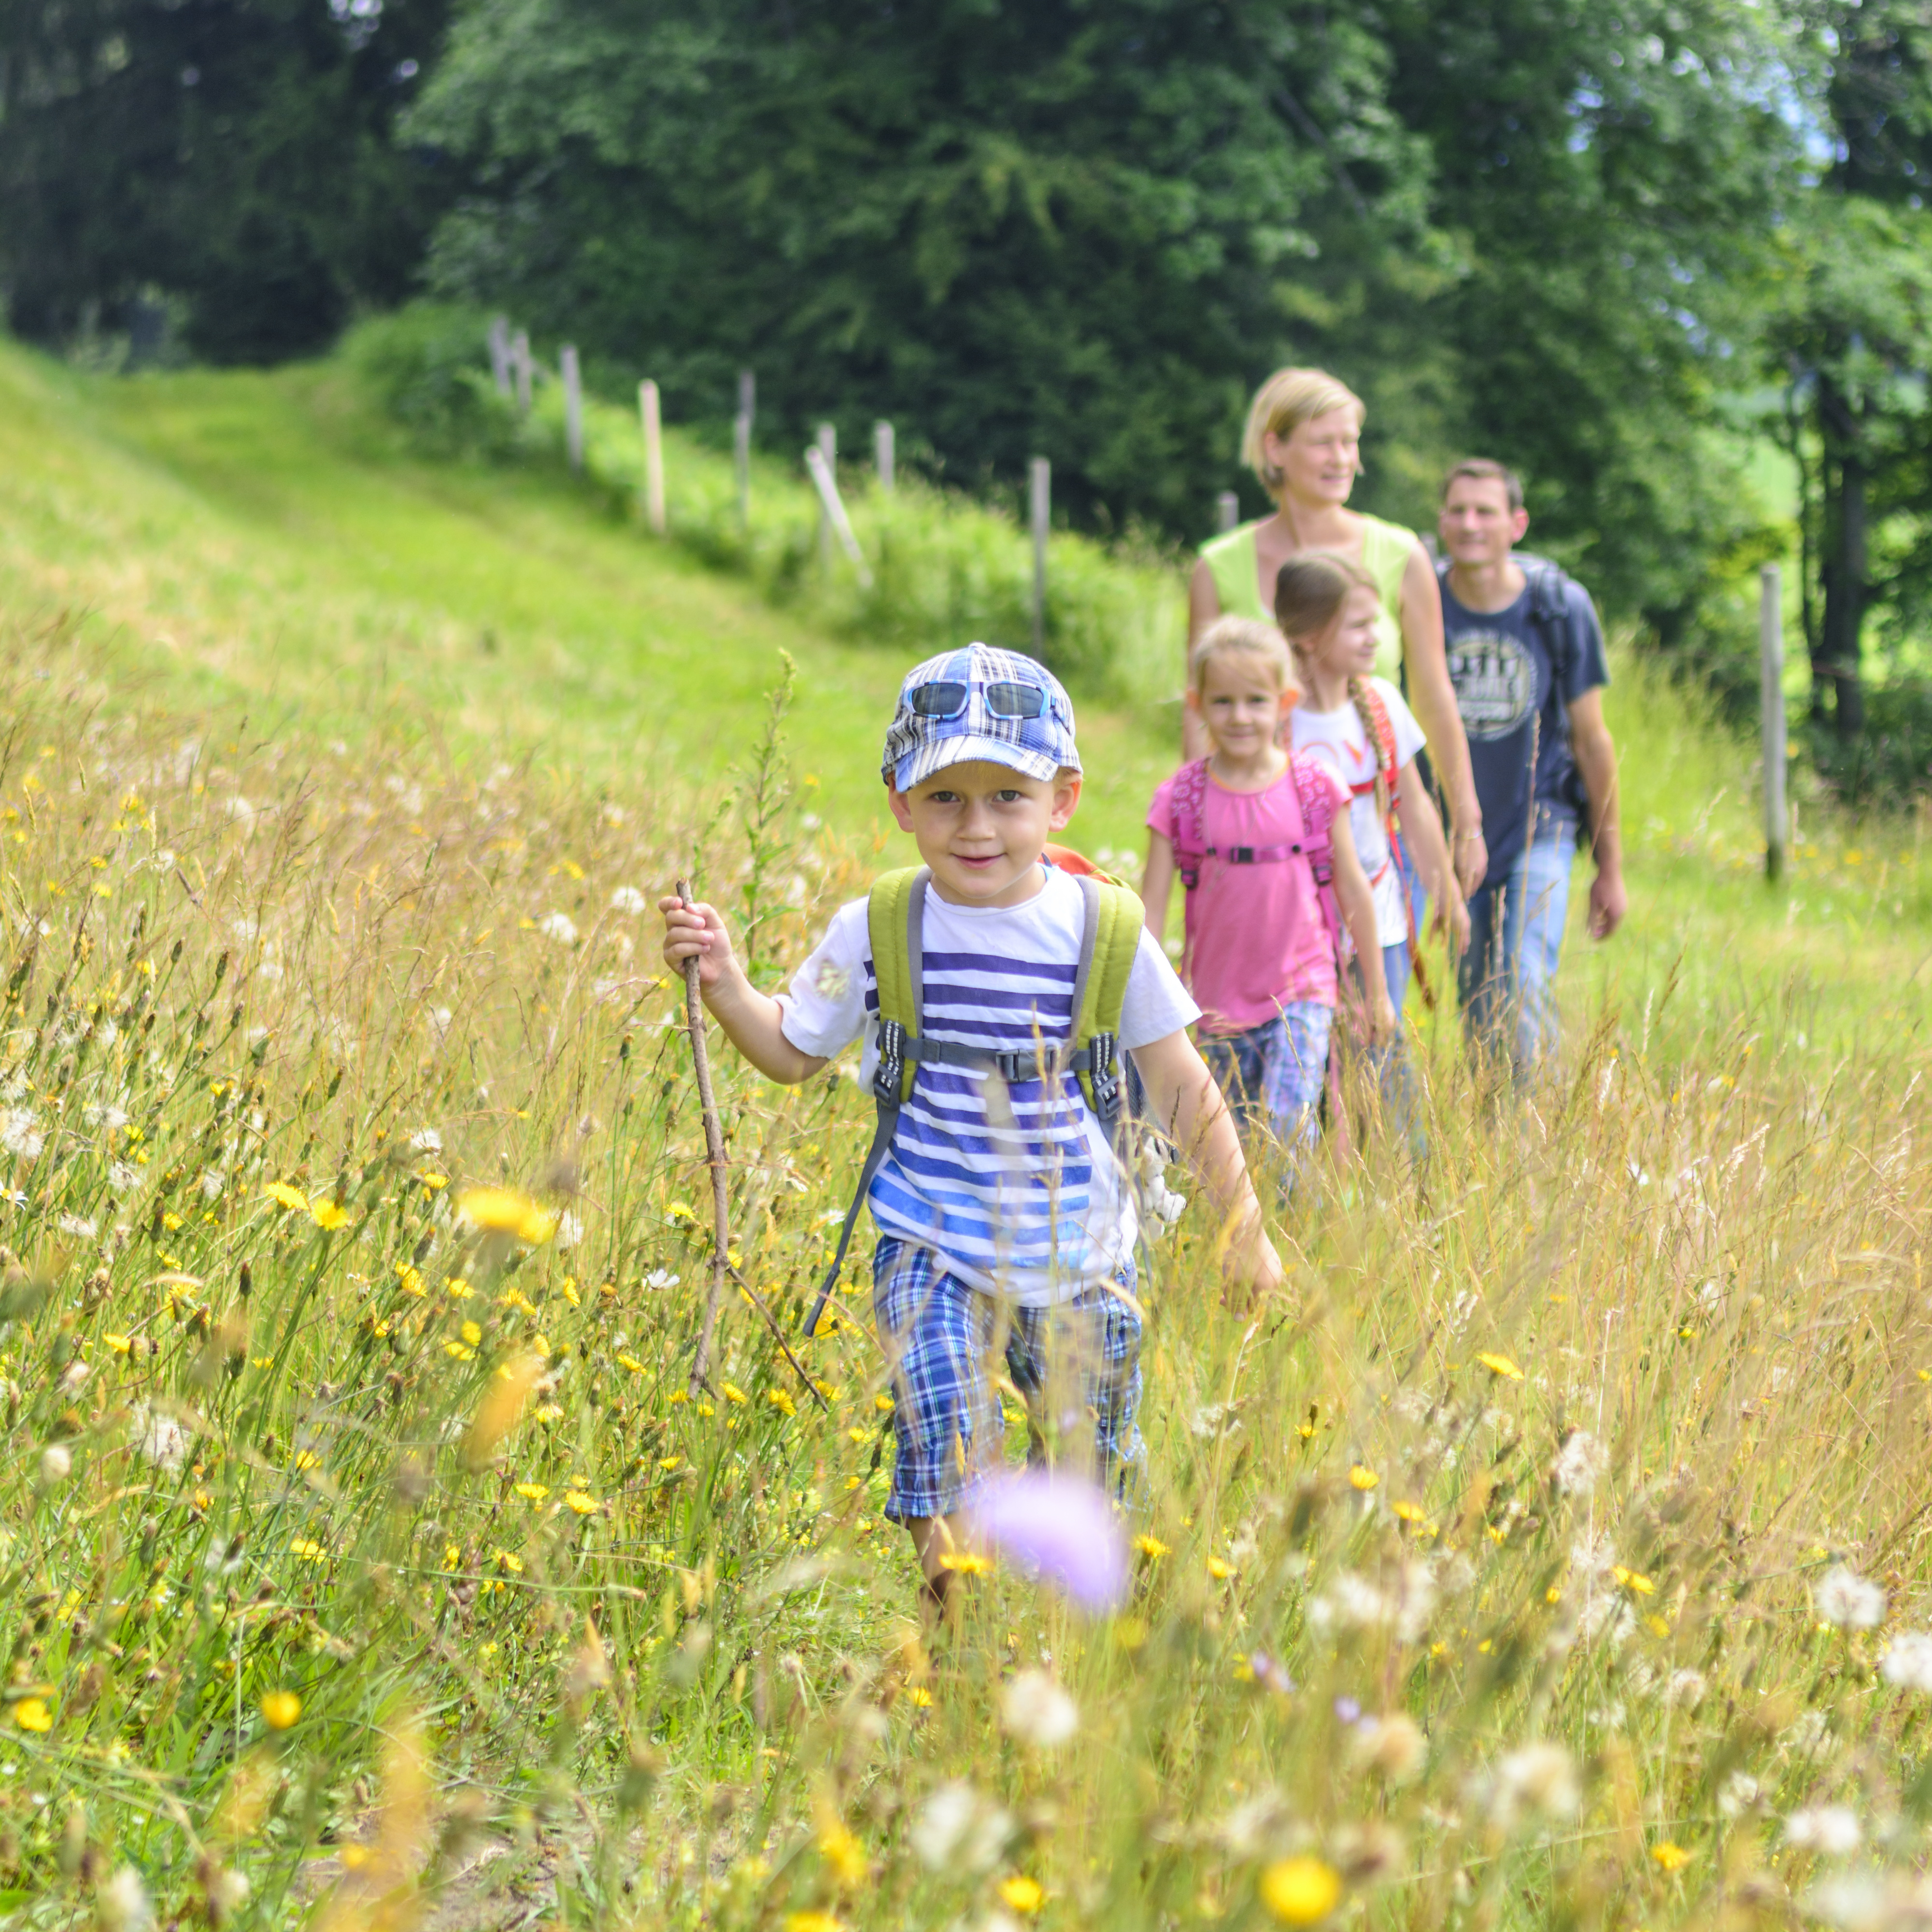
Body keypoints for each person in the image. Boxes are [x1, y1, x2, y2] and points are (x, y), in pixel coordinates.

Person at [660, 644, 1282, 1615]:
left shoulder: (1103, 930)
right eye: (945, 796)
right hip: (930, 1239)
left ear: (1062, 800)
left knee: (1088, 1481)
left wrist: (1241, 1222)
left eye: (1007, 795)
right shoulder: (879, 926)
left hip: (1082, 1253)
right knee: (940, 1427)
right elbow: (788, 1051)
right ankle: (956, 1631)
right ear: (901, 801)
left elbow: (1180, 1084)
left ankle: (1060, 1640)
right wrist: (727, 980)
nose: (977, 824)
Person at [1189, 368, 1490, 910]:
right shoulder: (1218, 566)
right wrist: (1197, 826)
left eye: (1350, 441)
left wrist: (1465, 820)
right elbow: (1197, 709)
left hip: (1375, 827)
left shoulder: (1400, 553)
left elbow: (1432, 693)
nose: (1343, 458)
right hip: (1258, 832)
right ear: (1274, 448)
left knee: (1377, 987)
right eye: (1324, 442)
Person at [1141, 616, 1389, 1159]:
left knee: (1287, 1123)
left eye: (1256, 700)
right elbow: (1149, 920)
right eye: (1223, 701)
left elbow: (1353, 889)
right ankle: (1240, 1237)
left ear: (1285, 701)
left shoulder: (1315, 786)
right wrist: (1152, 1009)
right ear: (1197, 702)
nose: (1240, 716)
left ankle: (1302, 1235)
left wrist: (1376, 991)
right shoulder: (1179, 799)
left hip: (1302, 990)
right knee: (1223, 1144)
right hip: (1213, 1002)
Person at [1435, 460, 1626, 1079]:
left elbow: (1593, 741)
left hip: (1540, 823)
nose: (1469, 524)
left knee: (1521, 976)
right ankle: (1495, 1134)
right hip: (1450, 833)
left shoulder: (1558, 607)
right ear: (1440, 520)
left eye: (1485, 511)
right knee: (1477, 991)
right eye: (1457, 510)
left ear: (1516, 523)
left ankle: (1530, 1134)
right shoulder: (1422, 602)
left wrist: (1610, 868)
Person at [1277, 554, 1467, 1145]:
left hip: (1377, 914)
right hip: (1294, 924)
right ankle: (1303, 1182)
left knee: (1379, 1042)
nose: (1375, 637)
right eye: (1358, 625)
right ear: (1311, 638)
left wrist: (1447, 894)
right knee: (1302, 1055)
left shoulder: (1381, 703)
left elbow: (1412, 805)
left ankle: (1403, 1176)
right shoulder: (1274, 720)